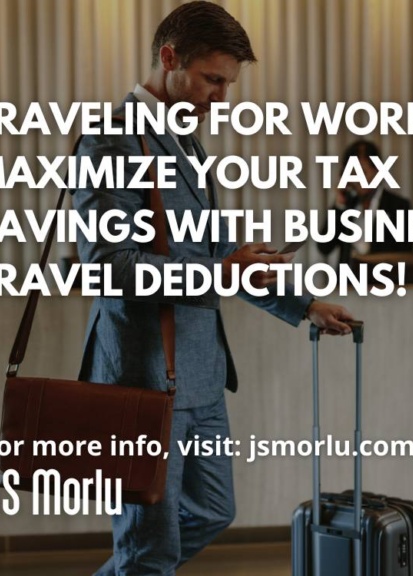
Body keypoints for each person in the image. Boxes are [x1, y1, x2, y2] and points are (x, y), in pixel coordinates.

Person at [71, 3, 354, 575]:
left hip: (198, 374)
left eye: (228, 84)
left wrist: (304, 305)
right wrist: (222, 271)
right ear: (170, 59)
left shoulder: (185, 143)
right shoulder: (109, 140)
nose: (220, 98)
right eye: (213, 80)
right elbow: (108, 267)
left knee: (212, 512)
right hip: (143, 375)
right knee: (149, 546)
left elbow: (219, 257)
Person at [318, 140, 413, 265]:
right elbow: (324, 247)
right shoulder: (347, 206)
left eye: (363, 172)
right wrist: (339, 204)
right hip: (347, 282)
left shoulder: (398, 206)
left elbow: (405, 254)